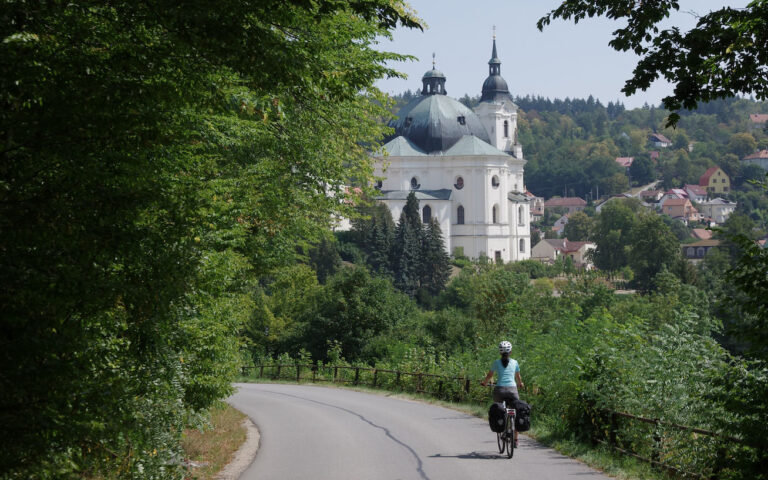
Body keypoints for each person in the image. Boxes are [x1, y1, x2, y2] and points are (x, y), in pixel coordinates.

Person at [481, 340, 524, 446]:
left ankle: (502, 427)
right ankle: (516, 439)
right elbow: (518, 377)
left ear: (500, 352)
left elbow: (490, 375)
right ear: (511, 352)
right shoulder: (515, 362)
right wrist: (521, 384)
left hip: (499, 390)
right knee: (515, 411)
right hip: (512, 390)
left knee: (499, 410)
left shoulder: (496, 363)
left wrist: (484, 383)